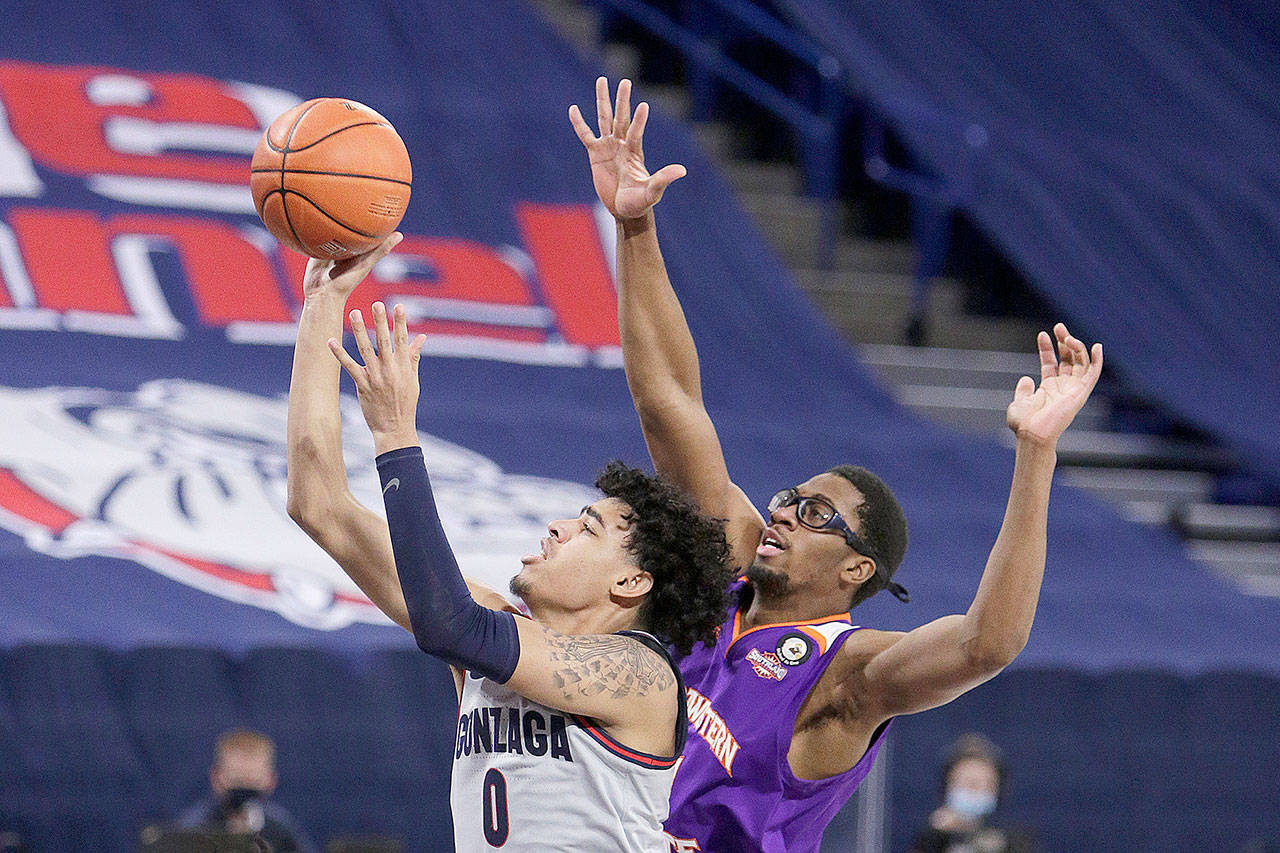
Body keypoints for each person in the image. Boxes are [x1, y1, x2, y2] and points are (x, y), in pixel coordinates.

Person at [567, 76, 1104, 853]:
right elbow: (670, 404)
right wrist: (636, 227)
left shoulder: (844, 676)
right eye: (792, 496)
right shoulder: (730, 562)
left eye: (817, 514)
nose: (783, 511)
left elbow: (987, 643)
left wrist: (1036, 453)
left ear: (858, 569)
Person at [286, 245, 734, 851]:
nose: (557, 527)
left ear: (631, 583)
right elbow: (319, 504)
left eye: (588, 528)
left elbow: (449, 624)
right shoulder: (496, 634)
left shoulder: (642, 675)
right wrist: (322, 305)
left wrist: (396, 436)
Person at [174, 728, 316, 853]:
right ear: (216, 779)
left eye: (254, 782)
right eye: (237, 781)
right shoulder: (195, 827)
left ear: (271, 782)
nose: (244, 792)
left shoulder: (280, 828)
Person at [907, 733, 1035, 853]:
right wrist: (936, 835)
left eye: (983, 784)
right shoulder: (932, 837)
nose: (974, 791)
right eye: (969, 783)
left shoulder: (1015, 840)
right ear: (948, 785)